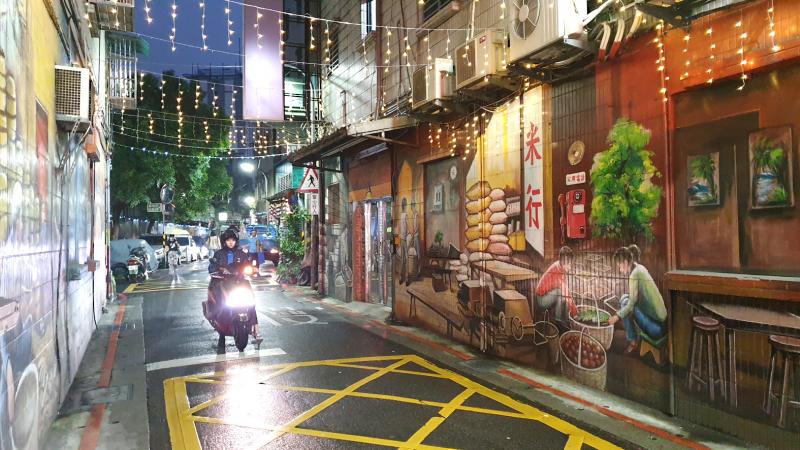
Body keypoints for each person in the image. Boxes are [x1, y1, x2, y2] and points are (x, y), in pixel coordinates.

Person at [608, 247, 667, 354]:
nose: (620, 270)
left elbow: (631, 305)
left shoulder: (634, 275)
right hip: (662, 324)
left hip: (656, 329)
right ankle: (633, 338)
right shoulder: (640, 268)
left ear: (625, 262)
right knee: (624, 298)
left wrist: (616, 317)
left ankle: (632, 341)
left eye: (619, 266)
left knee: (625, 303)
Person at [207, 229, 260, 345]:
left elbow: (248, 265)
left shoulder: (242, 254)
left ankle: (256, 328)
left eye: (233, 240)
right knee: (221, 302)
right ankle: (221, 331)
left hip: (240, 282)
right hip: (223, 282)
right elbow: (212, 267)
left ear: (236, 241)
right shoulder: (219, 254)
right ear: (224, 242)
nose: (231, 242)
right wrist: (219, 270)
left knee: (251, 300)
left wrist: (252, 269)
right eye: (228, 240)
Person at [535, 246, 577, 330]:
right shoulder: (557, 272)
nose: (570, 267)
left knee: (563, 296)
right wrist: (575, 313)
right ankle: (560, 322)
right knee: (561, 293)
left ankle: (565, 321)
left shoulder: (559, 266)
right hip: (541, 299)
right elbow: (566, 293)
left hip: (549, 294)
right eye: (569, 264)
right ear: (564, 262)